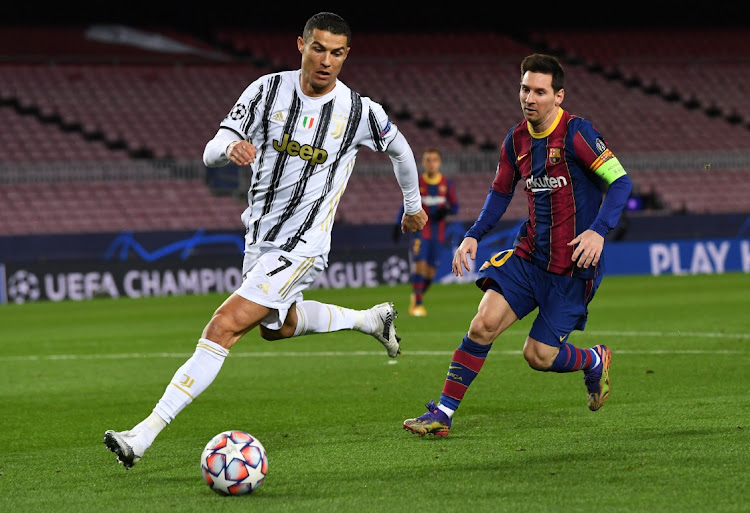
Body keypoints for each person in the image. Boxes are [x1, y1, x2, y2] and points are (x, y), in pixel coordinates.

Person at [103, 11, 427, 468]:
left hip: (305, 245)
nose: (326, 60)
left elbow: (400, 149)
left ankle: (142, 435)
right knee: (280, 327)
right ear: (301, 45)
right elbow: (212, 149)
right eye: (318, 48)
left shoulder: (358, 110)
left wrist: (412, 206)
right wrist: (229, 149)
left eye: (336, 53)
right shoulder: (266, 91)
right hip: (259, 240)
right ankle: (370, 320)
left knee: (223, 326)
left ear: (346, 55)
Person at [403, 54, 632, 437]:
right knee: (483, 324)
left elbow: (621, 183)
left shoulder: (578, 134)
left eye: (540, 91)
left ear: (558, 96)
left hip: (572, 267)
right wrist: (473, 234)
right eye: (525, 88)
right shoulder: (516, 141)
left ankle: (593, 359)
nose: (530, 97)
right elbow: (499, 193)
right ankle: (442, 413)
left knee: (537, 356)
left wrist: (598, 231)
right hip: (528, 256)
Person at [393, 148, 458, 316]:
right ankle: (418, 304)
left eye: (434, 160)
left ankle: (417, 296)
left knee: (430, 273)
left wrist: (446, 211)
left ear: (439, 163)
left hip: (439, 233)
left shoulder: (447, 183)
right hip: (420, 231)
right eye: (428, 160)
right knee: (420, 266)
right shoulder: (418, 182)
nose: (431, 164)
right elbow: (405, 205)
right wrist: (396, 224)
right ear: (423, 163)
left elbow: (456, 206)